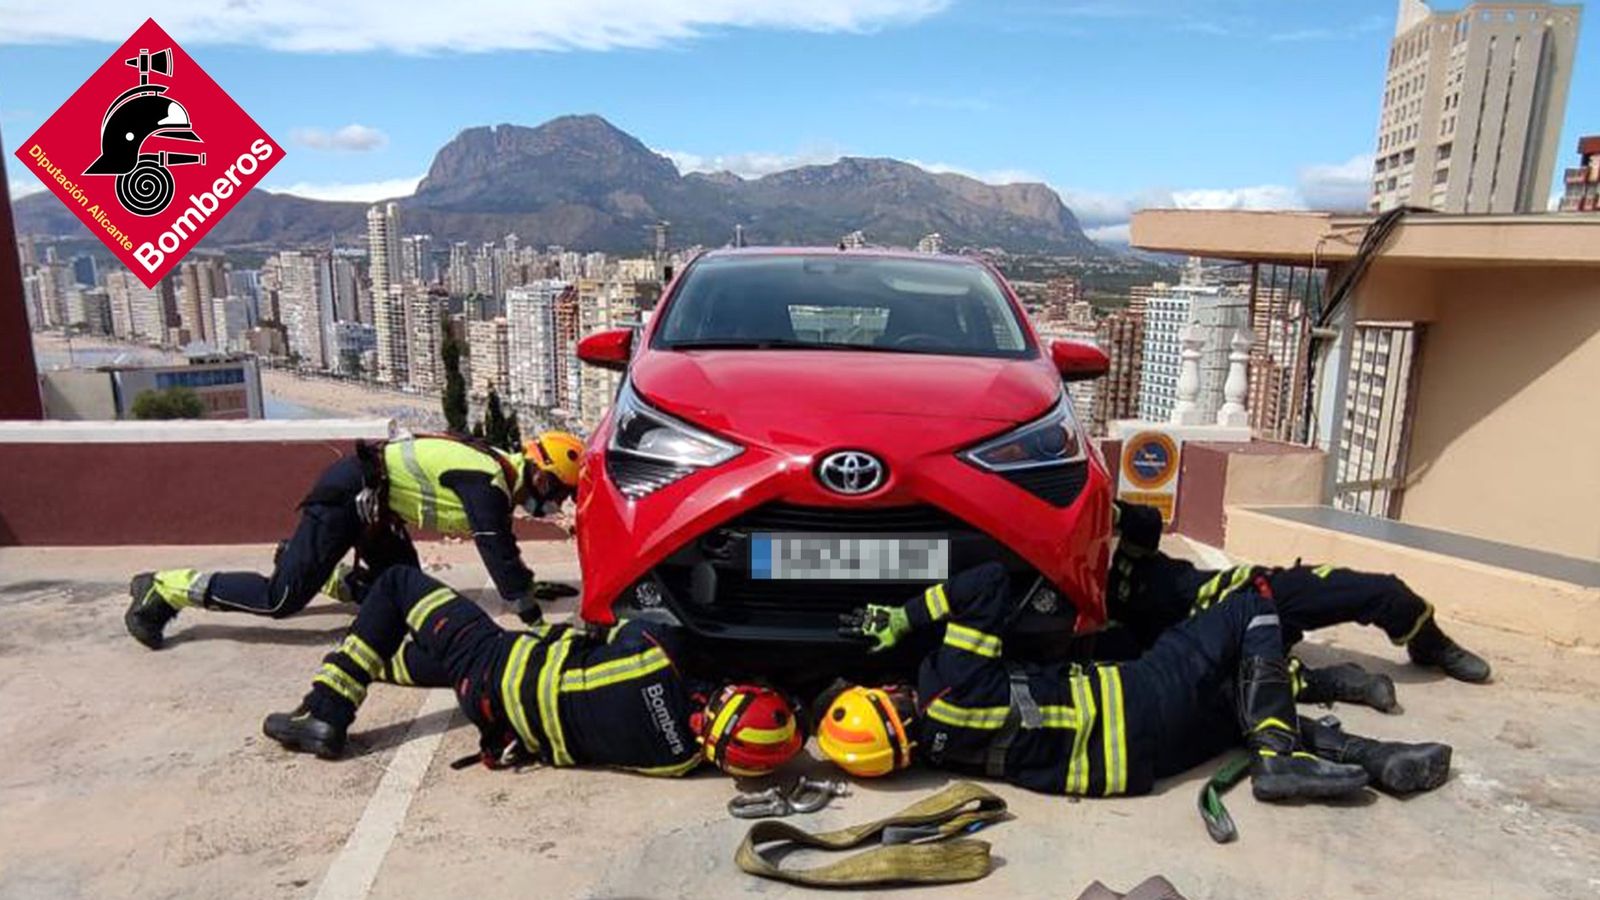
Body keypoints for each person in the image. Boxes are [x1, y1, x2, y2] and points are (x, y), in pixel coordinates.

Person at [825, 563, 1451, 802]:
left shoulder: (945, 751)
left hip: (1133, 768)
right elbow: (989, 581)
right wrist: (911, 614)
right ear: (893, 704)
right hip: (1141, 699)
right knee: (1251, 606)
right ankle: (1277, 758)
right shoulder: (948, 680)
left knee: (1241, 704)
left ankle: (1377, 760)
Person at [263, 565, 803, 778]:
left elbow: (621, 619)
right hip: (499, 717)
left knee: (399, 586)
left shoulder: (656, 659)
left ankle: (326, 712)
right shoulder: (679, 762)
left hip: (496, 659)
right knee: (409, 652)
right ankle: (370, 653)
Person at [124, 431, 585, 650]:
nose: (556, 504)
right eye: (558, 492)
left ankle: (323, 573)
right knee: (280, 598)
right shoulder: (488, 482)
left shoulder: (495, 476)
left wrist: (527, 584)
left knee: (404, 598)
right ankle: (164, 589)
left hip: (379, 511)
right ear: (541, 477)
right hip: (349, 497)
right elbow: (495, 546)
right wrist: (530, 612)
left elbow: (501, 548)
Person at [1102, 501, 1491, 709]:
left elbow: (1148, 522)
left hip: (1257, 593)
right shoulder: (1094, 621)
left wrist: (1111, 510)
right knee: (1248, 688)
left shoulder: (1125, 559)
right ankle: (1343, 682)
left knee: (1381, 592)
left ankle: (1429, 641)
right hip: (1222, 640)